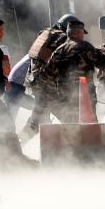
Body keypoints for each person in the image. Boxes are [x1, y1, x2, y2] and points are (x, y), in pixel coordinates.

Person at [40, 20, 105, 124]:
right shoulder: (87, 47)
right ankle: (90, 139)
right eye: (82, 33)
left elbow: (46, 75)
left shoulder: (59, 51)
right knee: (89, 124)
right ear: (78, 33)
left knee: (70, 126)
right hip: (86, 95)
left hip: (65, 96)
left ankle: (71, 139)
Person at [20, 14, 74, 143]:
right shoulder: (61, 38)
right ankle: (75, 147)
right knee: (69, 117)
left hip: (36, 82)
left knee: (40, 118)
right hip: (46, 85)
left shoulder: (45, 34)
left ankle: (20, 143)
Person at [3, 56, 32, 121]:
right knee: (35, 105)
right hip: (14, 88)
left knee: (10, 117)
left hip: (13, 87)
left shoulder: (30, 57)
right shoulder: (33, 59)